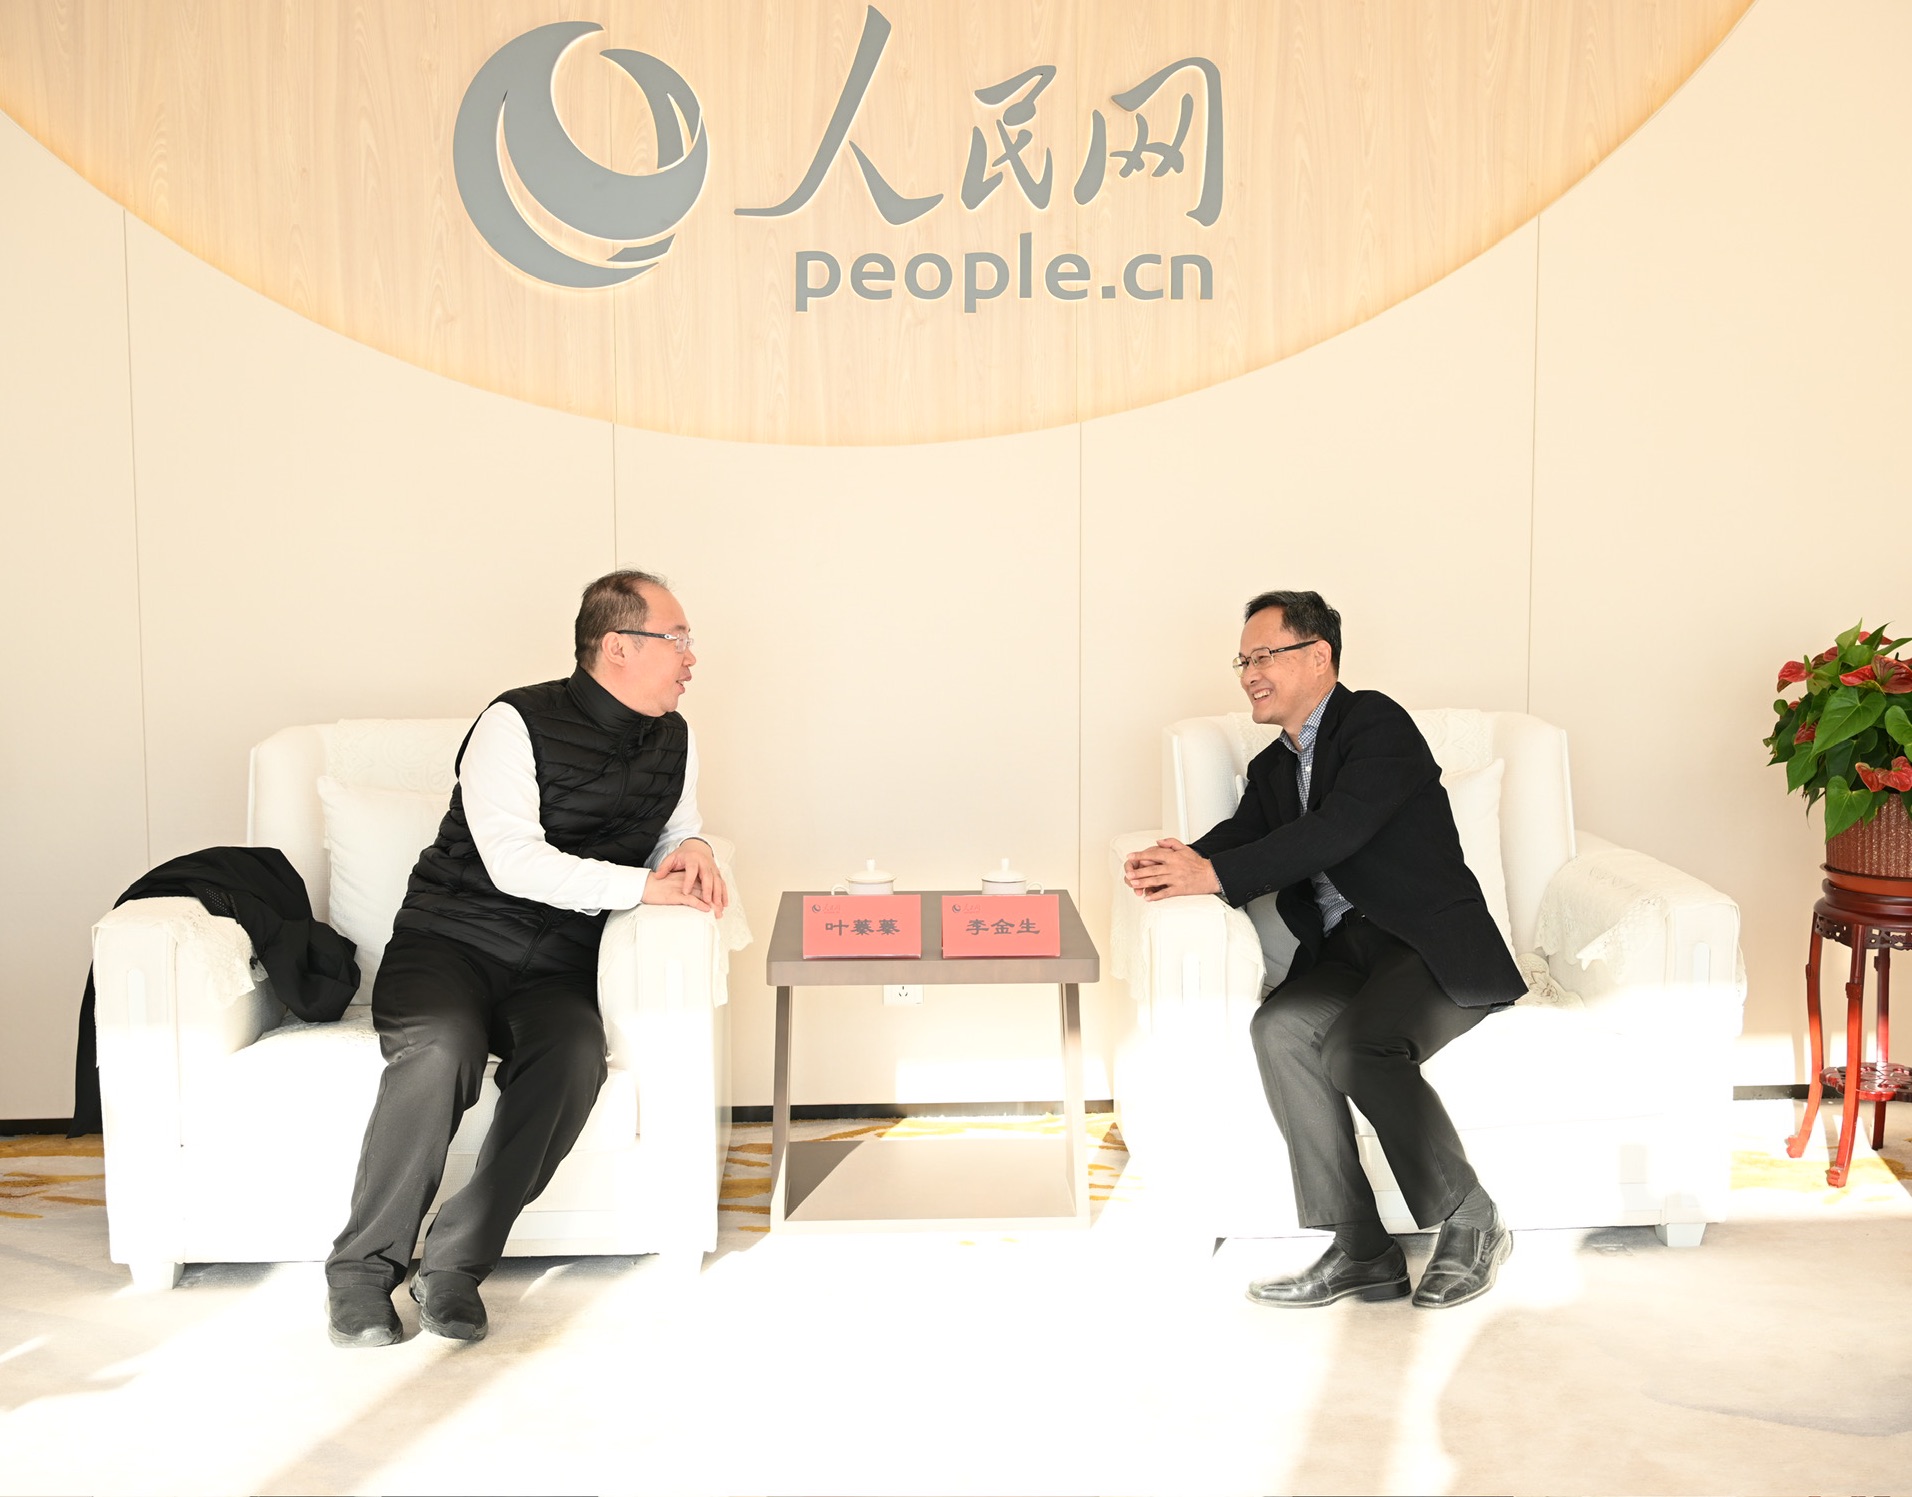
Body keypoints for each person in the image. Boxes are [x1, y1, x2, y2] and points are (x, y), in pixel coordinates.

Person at [325, 570, 727, 1347]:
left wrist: (697, 847)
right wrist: (645, 886)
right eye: (677, 637)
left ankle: (454, 1262)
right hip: (451, 942)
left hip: (555, 966)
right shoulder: (514, 721)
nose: (690, 656)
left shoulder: (675, 738)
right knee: (441, 1049)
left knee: (573, 1058)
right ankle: (360, 1271)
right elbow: (513, 861)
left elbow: (675, 829)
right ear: (618, 646)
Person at [1123, 590, 1525, 1309]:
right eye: (1242, 661)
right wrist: (1178, 863)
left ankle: (1473, 1219)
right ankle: (1362, 1251)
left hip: (1425, 941)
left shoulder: (1376, 724)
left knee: (1357, 1048)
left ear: (1319, 656)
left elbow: (1337, 830)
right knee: (1280, 1030)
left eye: (1264, 655)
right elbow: (1242, 837)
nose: (1250, 673)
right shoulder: (1274, 769)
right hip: (1347, 951)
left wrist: (1212, 873)